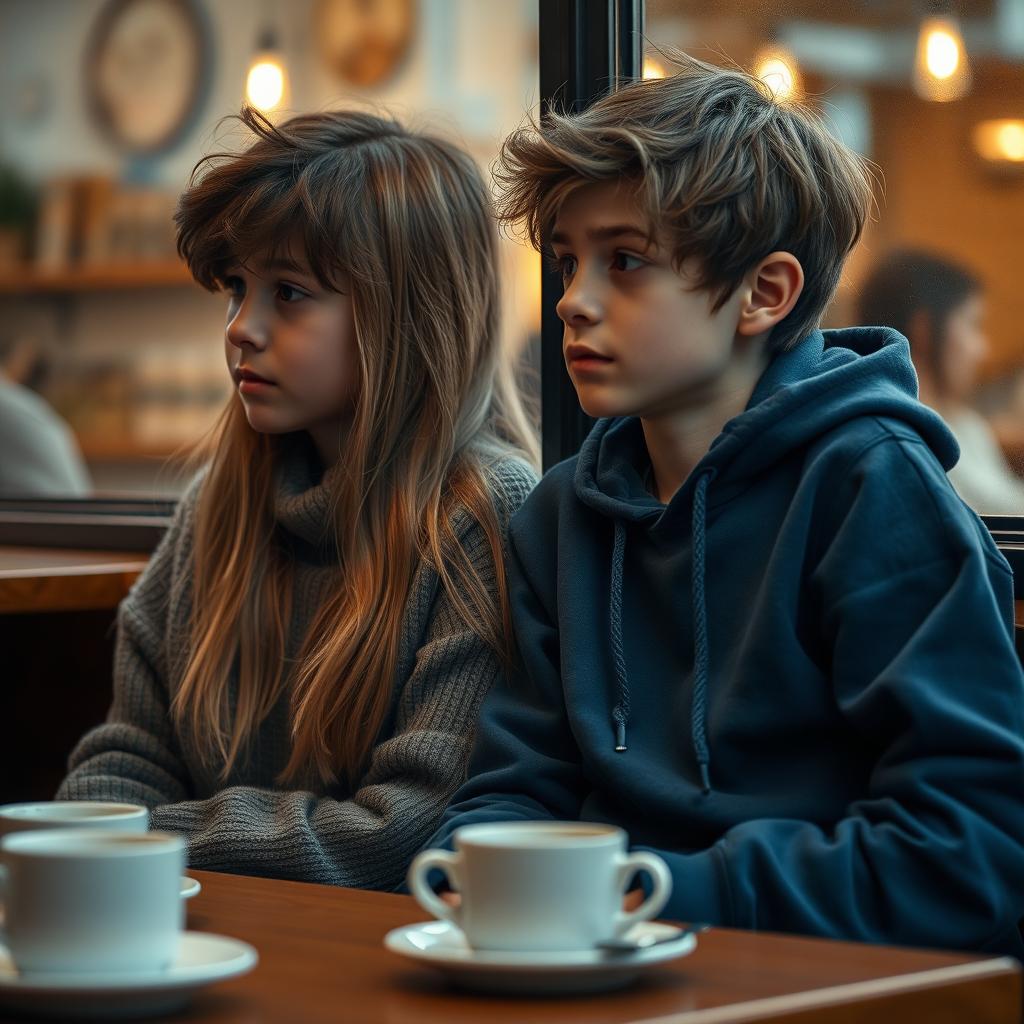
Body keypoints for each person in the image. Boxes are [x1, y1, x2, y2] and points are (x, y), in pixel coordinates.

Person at [424, 53, 1024, 956]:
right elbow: (514, 789)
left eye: (625, 261)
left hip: (823, 977)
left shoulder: (873, 490)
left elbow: (970, 853)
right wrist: (469, 875)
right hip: (598, 954)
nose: (571, 303)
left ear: (764, 293)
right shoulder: (563, 514)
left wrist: (657, 891)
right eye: (566, 262)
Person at [57, 107, 539, 889]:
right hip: (194, 933)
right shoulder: (217, 507)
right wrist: (113, 836)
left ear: (404, 317)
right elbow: (125, 760)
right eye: (235, 289)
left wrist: (138, 839)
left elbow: (402, 832)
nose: (242, 328)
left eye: (289, 293)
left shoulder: (485, 514)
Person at [857, 249, 1024, 513]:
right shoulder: (899, 437)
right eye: (973, 325)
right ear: (922, 329)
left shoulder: (968, 425)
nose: (982, 349)